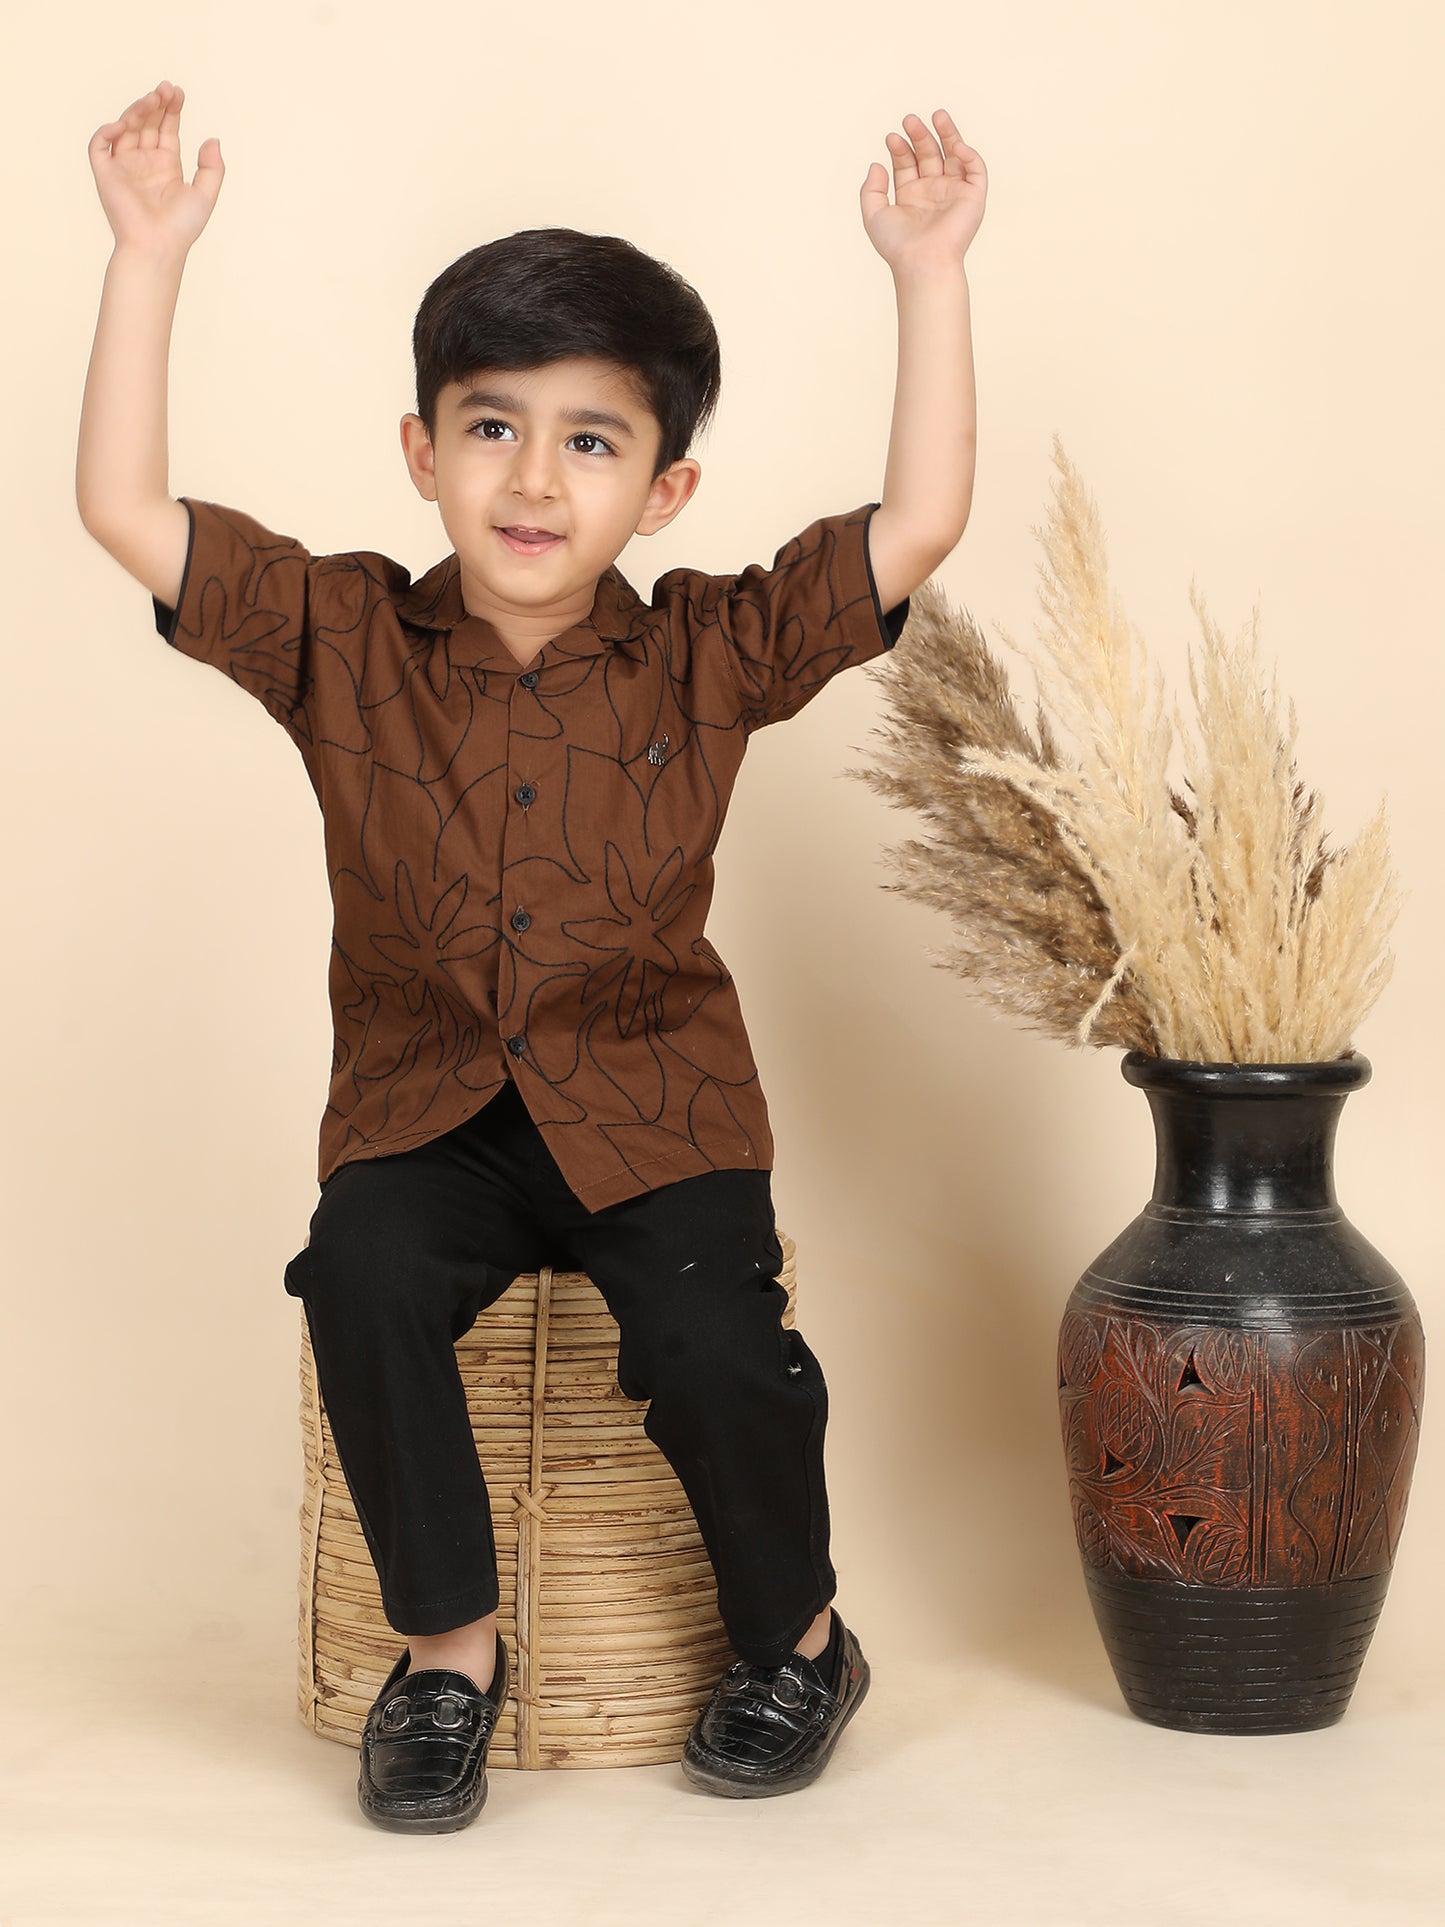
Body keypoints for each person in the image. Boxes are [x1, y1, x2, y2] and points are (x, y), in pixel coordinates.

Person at [78, 79, 985, 1833]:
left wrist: (928, 275)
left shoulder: (712, 649)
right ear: (421, 451)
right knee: (357, 1273)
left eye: (590, 441)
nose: (532, 478)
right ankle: (445, 1659)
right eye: (490, 427)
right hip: (429, 1113)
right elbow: (124, 506)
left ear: (663, 486)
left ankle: (799, 1641)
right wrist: (146, 257)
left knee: (720, 1346)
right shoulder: (339, 631)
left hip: (657, 1109)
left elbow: (917, 524)